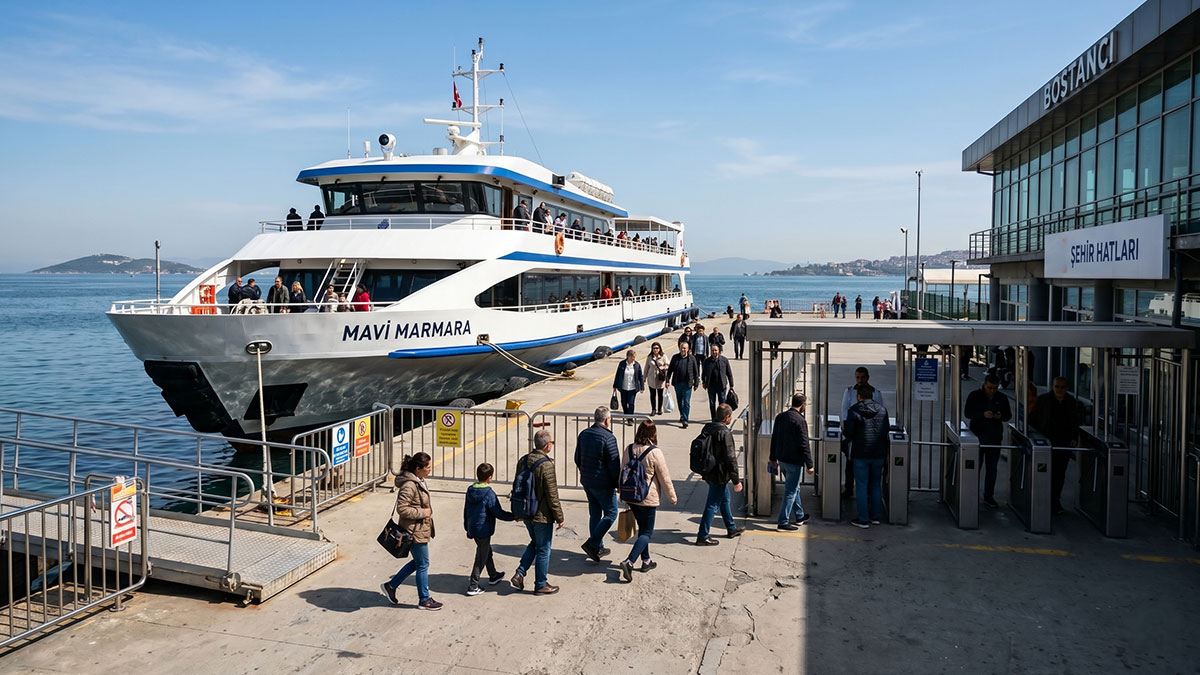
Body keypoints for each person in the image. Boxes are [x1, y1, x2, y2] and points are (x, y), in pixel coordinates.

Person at [380, 452, 442, 610]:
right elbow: (402, 508)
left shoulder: (419, 480)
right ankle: (424, 599)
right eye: (427, 467)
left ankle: (391, 586)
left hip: (420, 529)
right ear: (418, 468)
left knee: (418, 562)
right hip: (414, 530)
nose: (430, 469)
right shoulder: (409, 485)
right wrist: (424, 513)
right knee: (423, 564)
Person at [618, 420, 676, 582]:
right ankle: (629, 562)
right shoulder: (655, 452)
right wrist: (672, 497)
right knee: (647, 532)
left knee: (642, 529)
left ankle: (646, 560)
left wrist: (621, 492)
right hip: (647, 498)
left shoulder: (629, 449)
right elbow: (665, 478)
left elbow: (622, 471)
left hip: (632, 496)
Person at [511, 430, 565, 594]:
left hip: (526, 511)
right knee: (543, 549)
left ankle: (520, 573)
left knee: (535, 543)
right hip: (542, 515)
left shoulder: (523, 460)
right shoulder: (546, 465)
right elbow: (552, 495)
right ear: (547, 445)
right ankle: (541, 584)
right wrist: (559, 517)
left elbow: (516, 485)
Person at [1030, 377, 1083, 514]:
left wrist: (1073, 437)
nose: (1059, 390)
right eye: (1057, 386)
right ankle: (1041, 499)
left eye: (1062, 387)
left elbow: (1075, 422)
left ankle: (1055, 501)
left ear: (1067, 388)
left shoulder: (1072, 402)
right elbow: (1033, 419)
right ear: (1052, 386)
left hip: (1063, 443)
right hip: (1045, 441)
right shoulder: (1043, 400)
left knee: (1059, 474)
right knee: (1044, 472)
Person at [695, 404, 745, 545]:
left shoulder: (708, 428)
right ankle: (702, 536)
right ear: (727, 417)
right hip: (720, 474)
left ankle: (731, 527)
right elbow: (730, 458)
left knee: (725, 499)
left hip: (708, 470)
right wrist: (736, 480)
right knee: (712, 504)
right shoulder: (725, 433)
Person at [575, 406, 620, 562]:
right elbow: (614, 464)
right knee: (611, 513)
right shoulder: (608, 438)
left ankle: (597, 547)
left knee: (595, 513)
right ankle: (593, 543)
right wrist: (617, 483)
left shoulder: (584, 434)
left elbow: (577, 458)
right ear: (607, 420)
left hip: (587, 481)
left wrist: (585, 472)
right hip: (603, 484)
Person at [842, 384, 890, 528]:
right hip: (878, 453)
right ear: (872, 396)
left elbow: (849, 432)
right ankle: (875, 517)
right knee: (875, 484)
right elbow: (886, 430)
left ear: (859, 397)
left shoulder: (854, 410)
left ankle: (863, 519)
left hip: (860, 453)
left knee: (861, 486)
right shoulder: (882, 410)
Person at [463, 462, 515, 595]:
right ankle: (473, 585)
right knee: (481, 557)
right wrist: (513, 517)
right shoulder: (489, 493)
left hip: (473, 527)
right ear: (490, 477)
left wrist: (466, 525)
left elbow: (466, 509)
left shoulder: (470, 490)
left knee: (486, 551)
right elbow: (498, 512)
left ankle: (493, 575)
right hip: (484, 530)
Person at [964, 374, 1012, 508]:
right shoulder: (974, 396)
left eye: (995, 388)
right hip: (977, 437)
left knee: (992, 470)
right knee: (974, 468)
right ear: (984, 384)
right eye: (990, 388)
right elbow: (968, 413)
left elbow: (1008, 415)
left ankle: (988, 496)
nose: (992, 391)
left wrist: (1000, 416)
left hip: (994, 438)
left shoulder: (1002, 398)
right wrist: (982, 415)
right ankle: (970, 494)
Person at [768, 393, 815, 530]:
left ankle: (799, 516)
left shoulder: (780, 417)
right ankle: (783, 522)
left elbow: (774, 438)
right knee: (790, 491)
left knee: (794, 488)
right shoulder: (800, 421)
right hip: (794, 461)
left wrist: (772, 458)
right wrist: (810, 464)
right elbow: (804, 444)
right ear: (802, 405)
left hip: (782, 459)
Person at [840, 367, 870, 499]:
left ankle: (865, 491)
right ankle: (848, 488)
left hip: (867, 433)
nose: (860, 380)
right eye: (857, 377)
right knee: (850, 463)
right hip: (853, 432)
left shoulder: (875, 392)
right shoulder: (849, 391)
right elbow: (844, 411)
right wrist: (847, 430)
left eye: (862, 377)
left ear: (867, 377)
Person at [668, 340, 700, 429]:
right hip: (678, 383)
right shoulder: (675, 358)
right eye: (682, 348)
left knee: (686, 402)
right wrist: (667, 380)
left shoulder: (692, 358)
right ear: (679, 348)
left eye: (685, 348)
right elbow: (670, 370)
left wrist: (696, 383)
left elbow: (696, 372)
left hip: (687, 384)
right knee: (679, 401)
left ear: (688, 349)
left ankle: (685, 419)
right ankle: (682, 415)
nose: (683, 350)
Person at [701, 343, 734, 421]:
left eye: (715, 350)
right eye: (712, 350)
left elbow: (729, 373)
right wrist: (704, 382)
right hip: (711, 385)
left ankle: (721, 418)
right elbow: (704, 373)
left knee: (722, 403)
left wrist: (731, 384)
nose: (714, 352)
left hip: (721, 385)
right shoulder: (707, 361)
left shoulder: (724, 360)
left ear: (719, 351)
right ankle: (713, 418)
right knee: (712, 403)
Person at [612, 349, 645, 417]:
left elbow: (640, 376)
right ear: (628, 356)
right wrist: (615, 385)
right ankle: (626, 414)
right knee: (624, 403)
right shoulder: (622, 364)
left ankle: (630, 418)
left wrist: (642, 386)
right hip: (623, 387)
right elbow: (618, 375)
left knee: (631, 403)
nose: (633, 358)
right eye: (632, 357)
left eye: (634, 357)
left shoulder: (637, 365)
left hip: (633, 388)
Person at [643, 342, 669, 415]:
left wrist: (663, 367)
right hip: (651, 378)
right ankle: (653, 409)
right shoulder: (649, 357)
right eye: (654, 348)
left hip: (660, 378)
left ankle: (659, 409)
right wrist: (644, 378)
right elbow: (646, 368)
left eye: (657, 348)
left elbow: (668, 365)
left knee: (660, 395)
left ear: (659, 349)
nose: (655, 350)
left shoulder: (663, 356)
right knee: (652, 394)